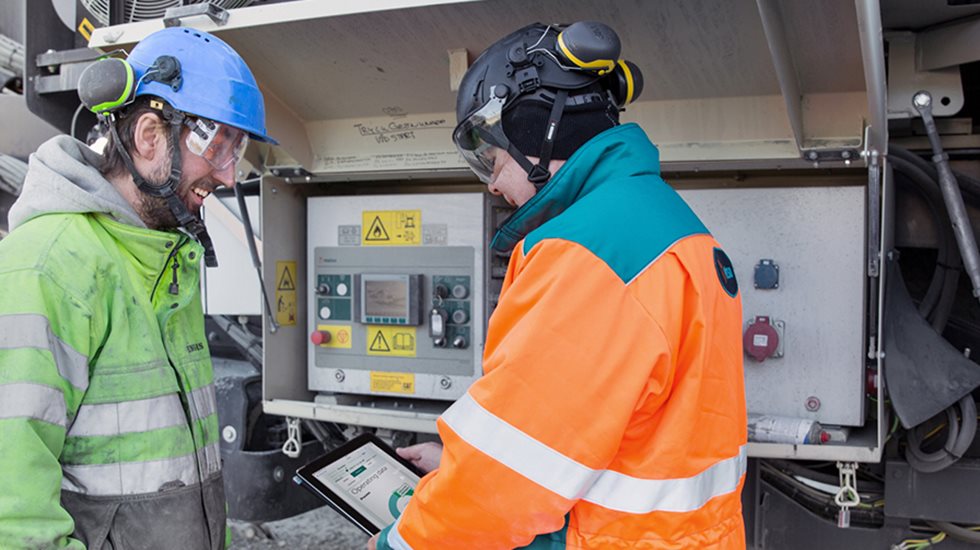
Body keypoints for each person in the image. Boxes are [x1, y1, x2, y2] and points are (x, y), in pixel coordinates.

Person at [371, 22, 747, 549]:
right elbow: (600, 439)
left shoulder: (588, 253)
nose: (496, 185)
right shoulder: (667, 225)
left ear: (536, 128)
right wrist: (460, 465)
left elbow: (504, 487)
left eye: (494, 160)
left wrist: (401, 543)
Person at [0, 27, 275, 549]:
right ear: (150, 135)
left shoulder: (166, 257)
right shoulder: (48, 266)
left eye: (236, 149)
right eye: (217, 145)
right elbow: (10, 515)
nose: (229, 175)